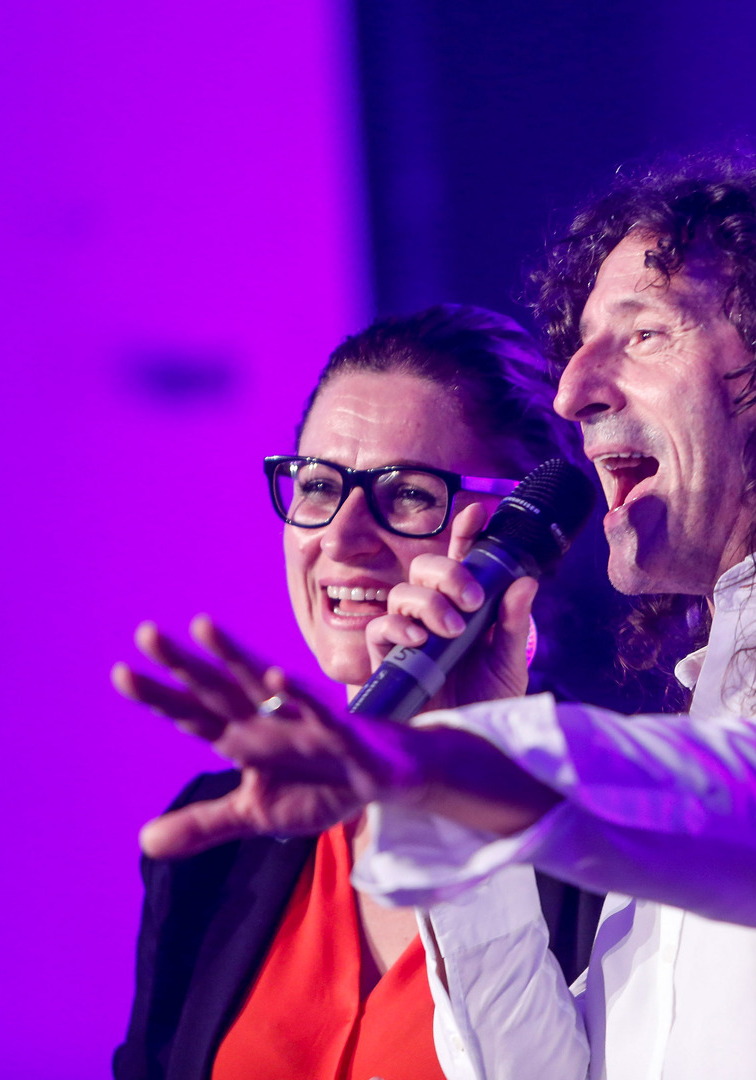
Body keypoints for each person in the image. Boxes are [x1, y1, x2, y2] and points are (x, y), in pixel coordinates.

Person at [138, 154, 756, 1079]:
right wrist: (464, 738)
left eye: (644, 332)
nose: (574, 391)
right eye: (578, 347)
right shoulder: (705, 734)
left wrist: (441, 765)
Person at [109, 304, 606, 1080]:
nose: (340, 538)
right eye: (317, 485)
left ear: (521, 530)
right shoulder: (223, 840)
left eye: (408, 494)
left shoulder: (612, 829)